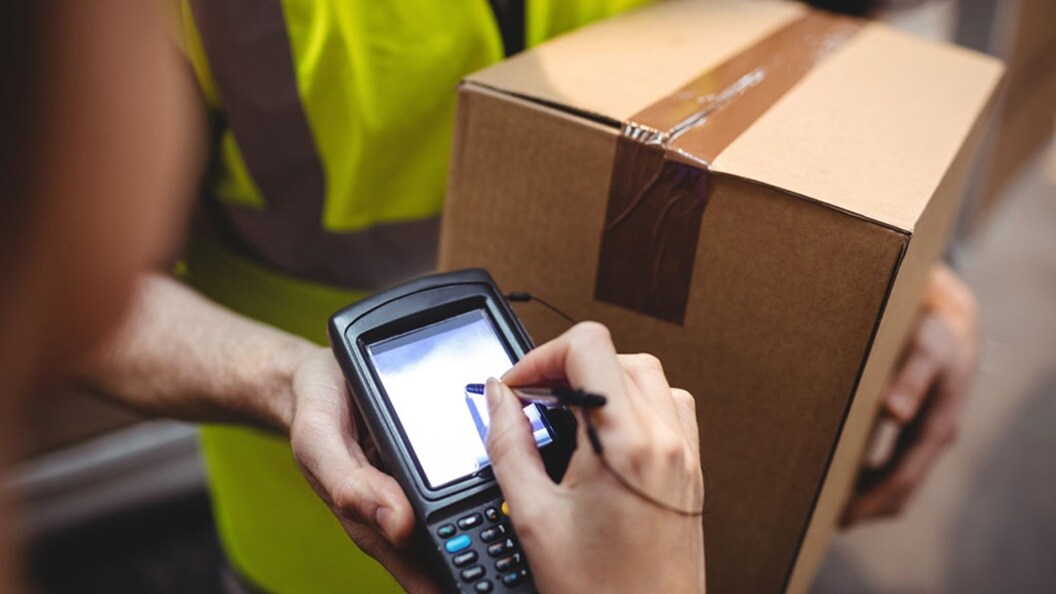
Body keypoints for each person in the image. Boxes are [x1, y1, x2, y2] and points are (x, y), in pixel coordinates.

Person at [9, 1, 977, 594]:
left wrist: (900, 278)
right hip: (320, 543)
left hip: (629, 503)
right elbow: (37, 265)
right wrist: (288, 378)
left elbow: (775, 82)